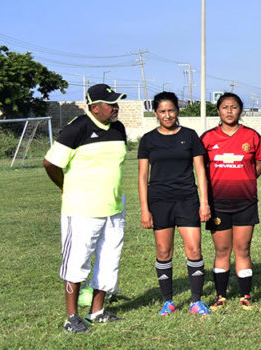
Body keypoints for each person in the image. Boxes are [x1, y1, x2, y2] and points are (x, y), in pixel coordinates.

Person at [44, 84, 129, 332]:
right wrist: (64, 187)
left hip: (114, 207)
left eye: (117, 103)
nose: (116, 107)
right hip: (81, 209)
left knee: (109, 261)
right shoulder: (78, 128)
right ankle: (72, 318)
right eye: (110, 104)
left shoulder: (119, 128)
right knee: (76, 262)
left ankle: (97, 311)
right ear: (94, 107)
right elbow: (50, 163)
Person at [137, 92, 212, 316]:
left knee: (194, 249)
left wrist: (204, 203)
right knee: (163, 251)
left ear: (177, 111)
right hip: (159, 201)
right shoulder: (148, 140)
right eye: (162, 111)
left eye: (171, 110)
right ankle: (168, 301)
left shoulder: (189, 136)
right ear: (156, 113)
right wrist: (144, 209)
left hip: (187, 199)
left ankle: (196, 302)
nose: (167, 115)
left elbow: (200, 170)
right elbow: (142, 177)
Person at [201, 92, 261, 310]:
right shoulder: (208, 138)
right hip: (217, 203)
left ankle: (245, 295)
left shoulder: (252, 136)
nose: (229, 111)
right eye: (225, 107)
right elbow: (201, 168)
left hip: (245, 202)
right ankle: (220, 296)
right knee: (222, 251)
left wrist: (244, 179)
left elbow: (259, 164)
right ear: (218, 110)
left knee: (243, 249)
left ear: (240, 110)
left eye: (234, 107)